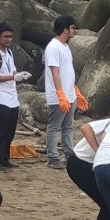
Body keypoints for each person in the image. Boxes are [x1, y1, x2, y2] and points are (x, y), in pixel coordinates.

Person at [0, 23, 26, 171]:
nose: (8, 39)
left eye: (10, 37)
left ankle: (5, 158)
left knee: (10, 130)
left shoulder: (8, 52)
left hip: (11, 97)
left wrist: (19, 75)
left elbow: (11, 71)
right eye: (6, 36)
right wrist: (12, 77)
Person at [44, 16, 85, 169]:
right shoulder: (53, 47)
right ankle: (52, 158)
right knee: (54, 126)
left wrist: (75, 91)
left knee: (68, 127)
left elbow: (67, 72)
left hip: (70, 95)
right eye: (73, 27)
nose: (74, 30)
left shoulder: (65, 46)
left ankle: (69, 155)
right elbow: (55, 72)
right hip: (59, 96)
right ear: (65, 30)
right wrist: (60, 93)